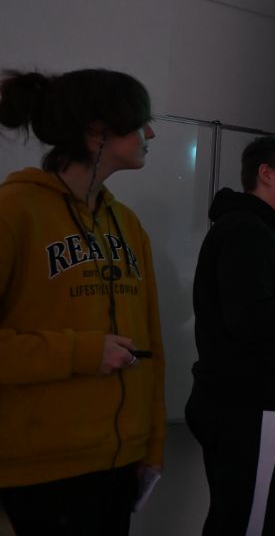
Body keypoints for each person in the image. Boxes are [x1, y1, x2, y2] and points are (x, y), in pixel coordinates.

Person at [0, 69, 165, 535]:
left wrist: (151, 445)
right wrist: (82, 352)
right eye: (139, 123)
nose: (150, 134)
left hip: (120, 465)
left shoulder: (128, 224)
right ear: (97, 131)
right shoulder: (13, 212)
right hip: (38, 474)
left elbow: (151, 346)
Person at [185, 135, 275, 536]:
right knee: (252, 523)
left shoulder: (263, 229)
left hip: (253, 404)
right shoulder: (246, 230)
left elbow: (255, 307)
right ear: (266, 174)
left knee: (241, 517)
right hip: (253, 406)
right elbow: (251, 319)